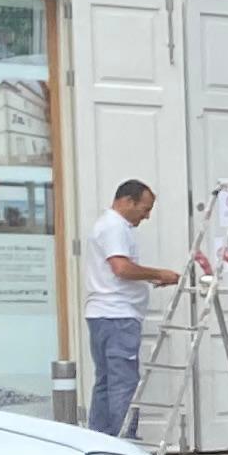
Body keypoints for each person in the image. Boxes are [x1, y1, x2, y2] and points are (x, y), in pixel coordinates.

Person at [81, 182, 178, 433]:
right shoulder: (115, 227)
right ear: (127, 201)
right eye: (145, 209)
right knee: (124, 383)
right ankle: (126, 444)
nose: (147, 216)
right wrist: (159, 273)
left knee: (105, 381)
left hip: (102, 314)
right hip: (117, 316)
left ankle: (101, 438)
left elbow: (116, 270)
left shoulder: (106, 225)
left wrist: (147, 277)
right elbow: (121, 268)